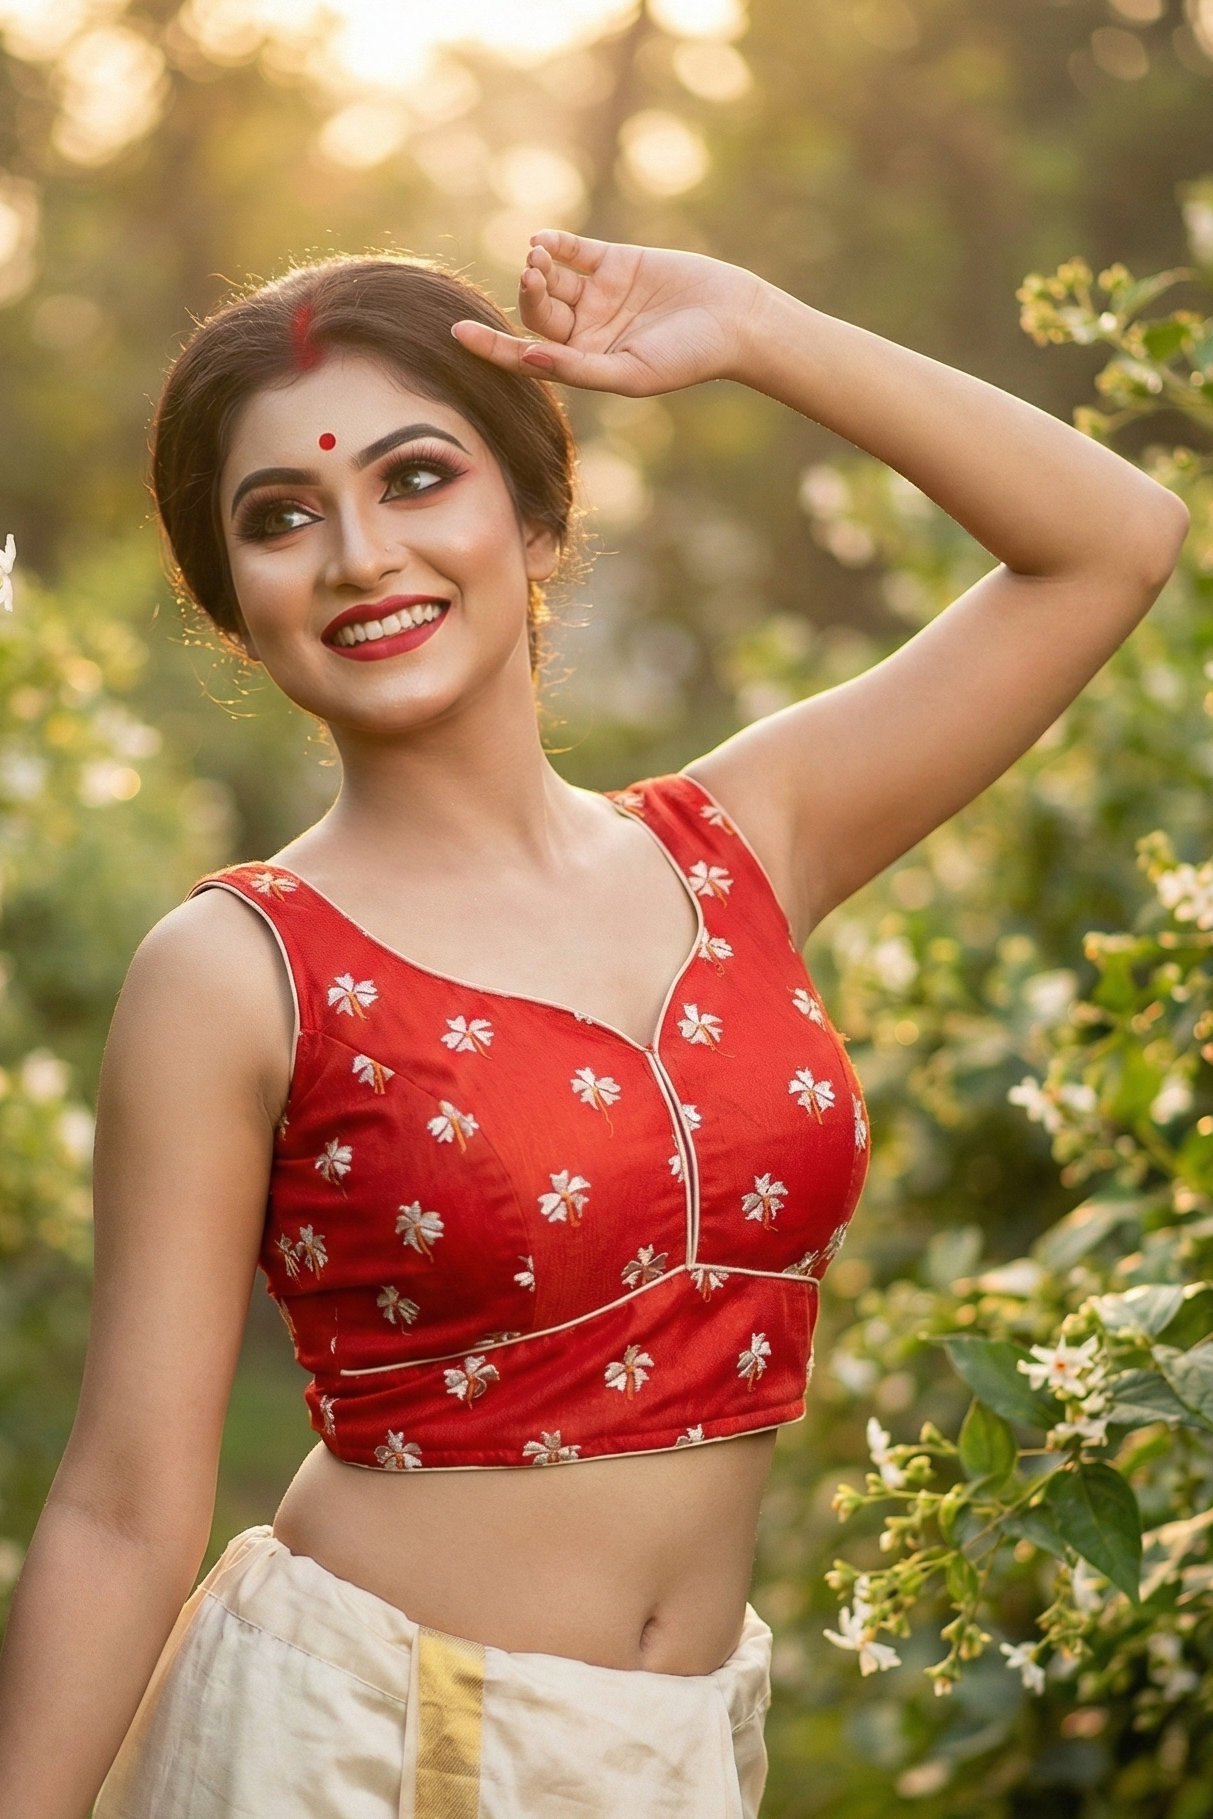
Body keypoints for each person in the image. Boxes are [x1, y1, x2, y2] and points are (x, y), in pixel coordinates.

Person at [0, 229, 1186, 1819]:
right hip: (361, 1747)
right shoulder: (235, 969)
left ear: (539, 515)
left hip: (675, 1758)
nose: (359, 553)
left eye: (417, 478)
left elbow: (1115, 539)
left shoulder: (744, 843)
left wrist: (755, 324)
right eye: (282, 516)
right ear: (236, 606)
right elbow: (123, 1507)